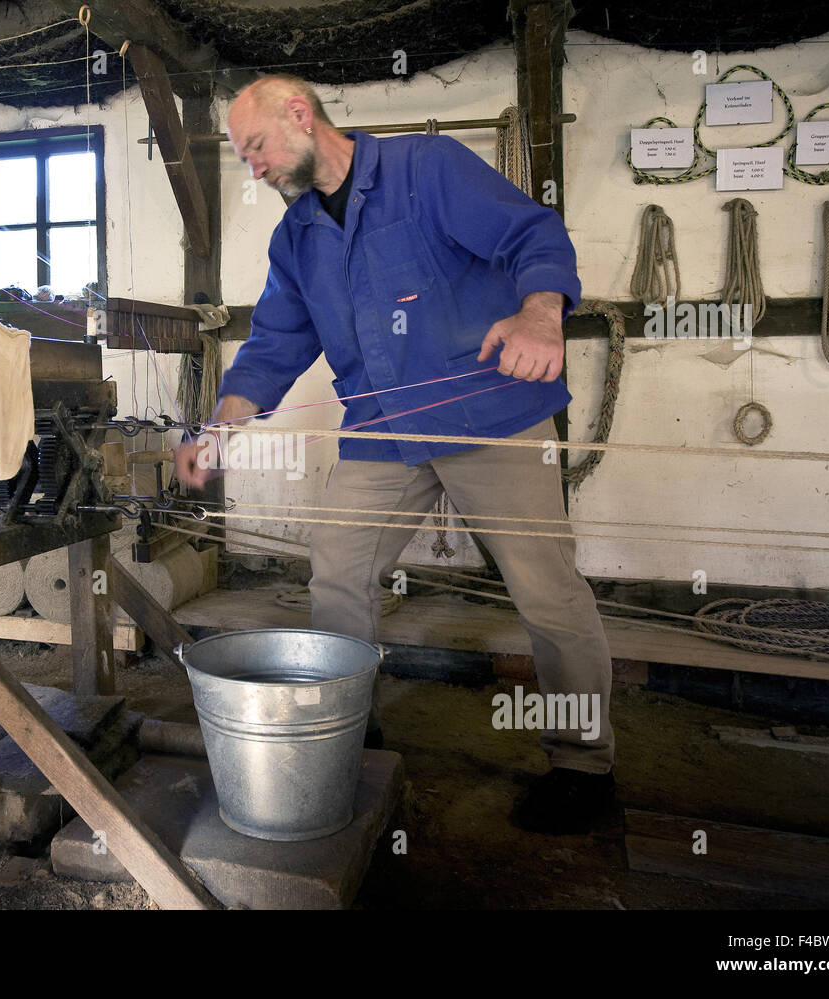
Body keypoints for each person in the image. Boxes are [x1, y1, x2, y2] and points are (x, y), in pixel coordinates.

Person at [175, 76, 616, 834]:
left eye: (256, 148)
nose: (253, 169)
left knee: (548, 592)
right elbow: (277, 344)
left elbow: (533, 236)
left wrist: (542, 314)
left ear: (301, 116)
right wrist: (221, 428)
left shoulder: (429, 169)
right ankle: (346, 732)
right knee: (337, 571)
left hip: (491, 412)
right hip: (382, 426)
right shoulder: (296, 238)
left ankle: (585, 765)